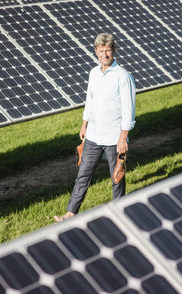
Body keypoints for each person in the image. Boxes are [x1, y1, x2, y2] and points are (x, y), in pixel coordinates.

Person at [54, 33, 136, 222]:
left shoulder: (123, 77)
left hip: (114, 138)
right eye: (101, 51)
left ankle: (120, 212)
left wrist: (123, 138)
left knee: (117, 178)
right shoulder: (93, 73)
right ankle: (70, 213)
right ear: (96, 53)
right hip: (93, 136)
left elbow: (129, 110)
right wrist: (84, 124)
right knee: (83, 176)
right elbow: (89, 102)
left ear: (114, 51)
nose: (105, 54)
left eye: (108, 50)